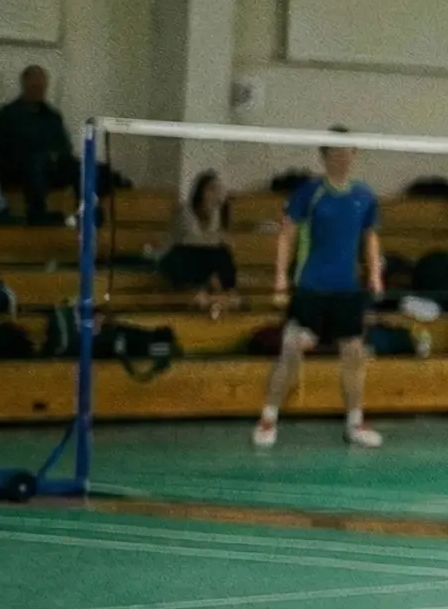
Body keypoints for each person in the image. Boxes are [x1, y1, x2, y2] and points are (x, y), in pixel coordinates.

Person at [255, 130, 385, 449]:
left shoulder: (364, 195)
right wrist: (281, 279)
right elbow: (287, 235)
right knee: (291, 350)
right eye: (336, 152)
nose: (343, 157)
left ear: (354, 153)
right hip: (311, 286)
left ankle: (355, 423)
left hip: (347, 290)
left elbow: (369, 236)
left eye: (348, 151)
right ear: (324, 156)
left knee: (354, 354)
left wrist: (375, 275)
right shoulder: (309, 193)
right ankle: (268, 418)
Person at [0, 65, 75, 226]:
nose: (39, 90)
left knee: (82, 166)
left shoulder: (52, 116)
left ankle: (84, 213)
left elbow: (64, 146)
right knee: (36, 161)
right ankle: (38, 215)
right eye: (34, 86)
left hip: (51, 167)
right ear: (25, 85)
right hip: (18, 169)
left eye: (42, 86)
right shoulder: (6, 115)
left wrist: (55, 156)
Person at [161, 171, 242, 319]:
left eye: (218, 190)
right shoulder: (185, 212)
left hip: (205, 256)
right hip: (183, 254)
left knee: (223, 254)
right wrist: (216, 239)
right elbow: (189, 239)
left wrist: (219, 239)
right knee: (189, 255)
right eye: (212, 189)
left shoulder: (217, 214)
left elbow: (218, 240)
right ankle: (199, 291)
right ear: (201, 191)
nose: (216, 194)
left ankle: (226, 291)